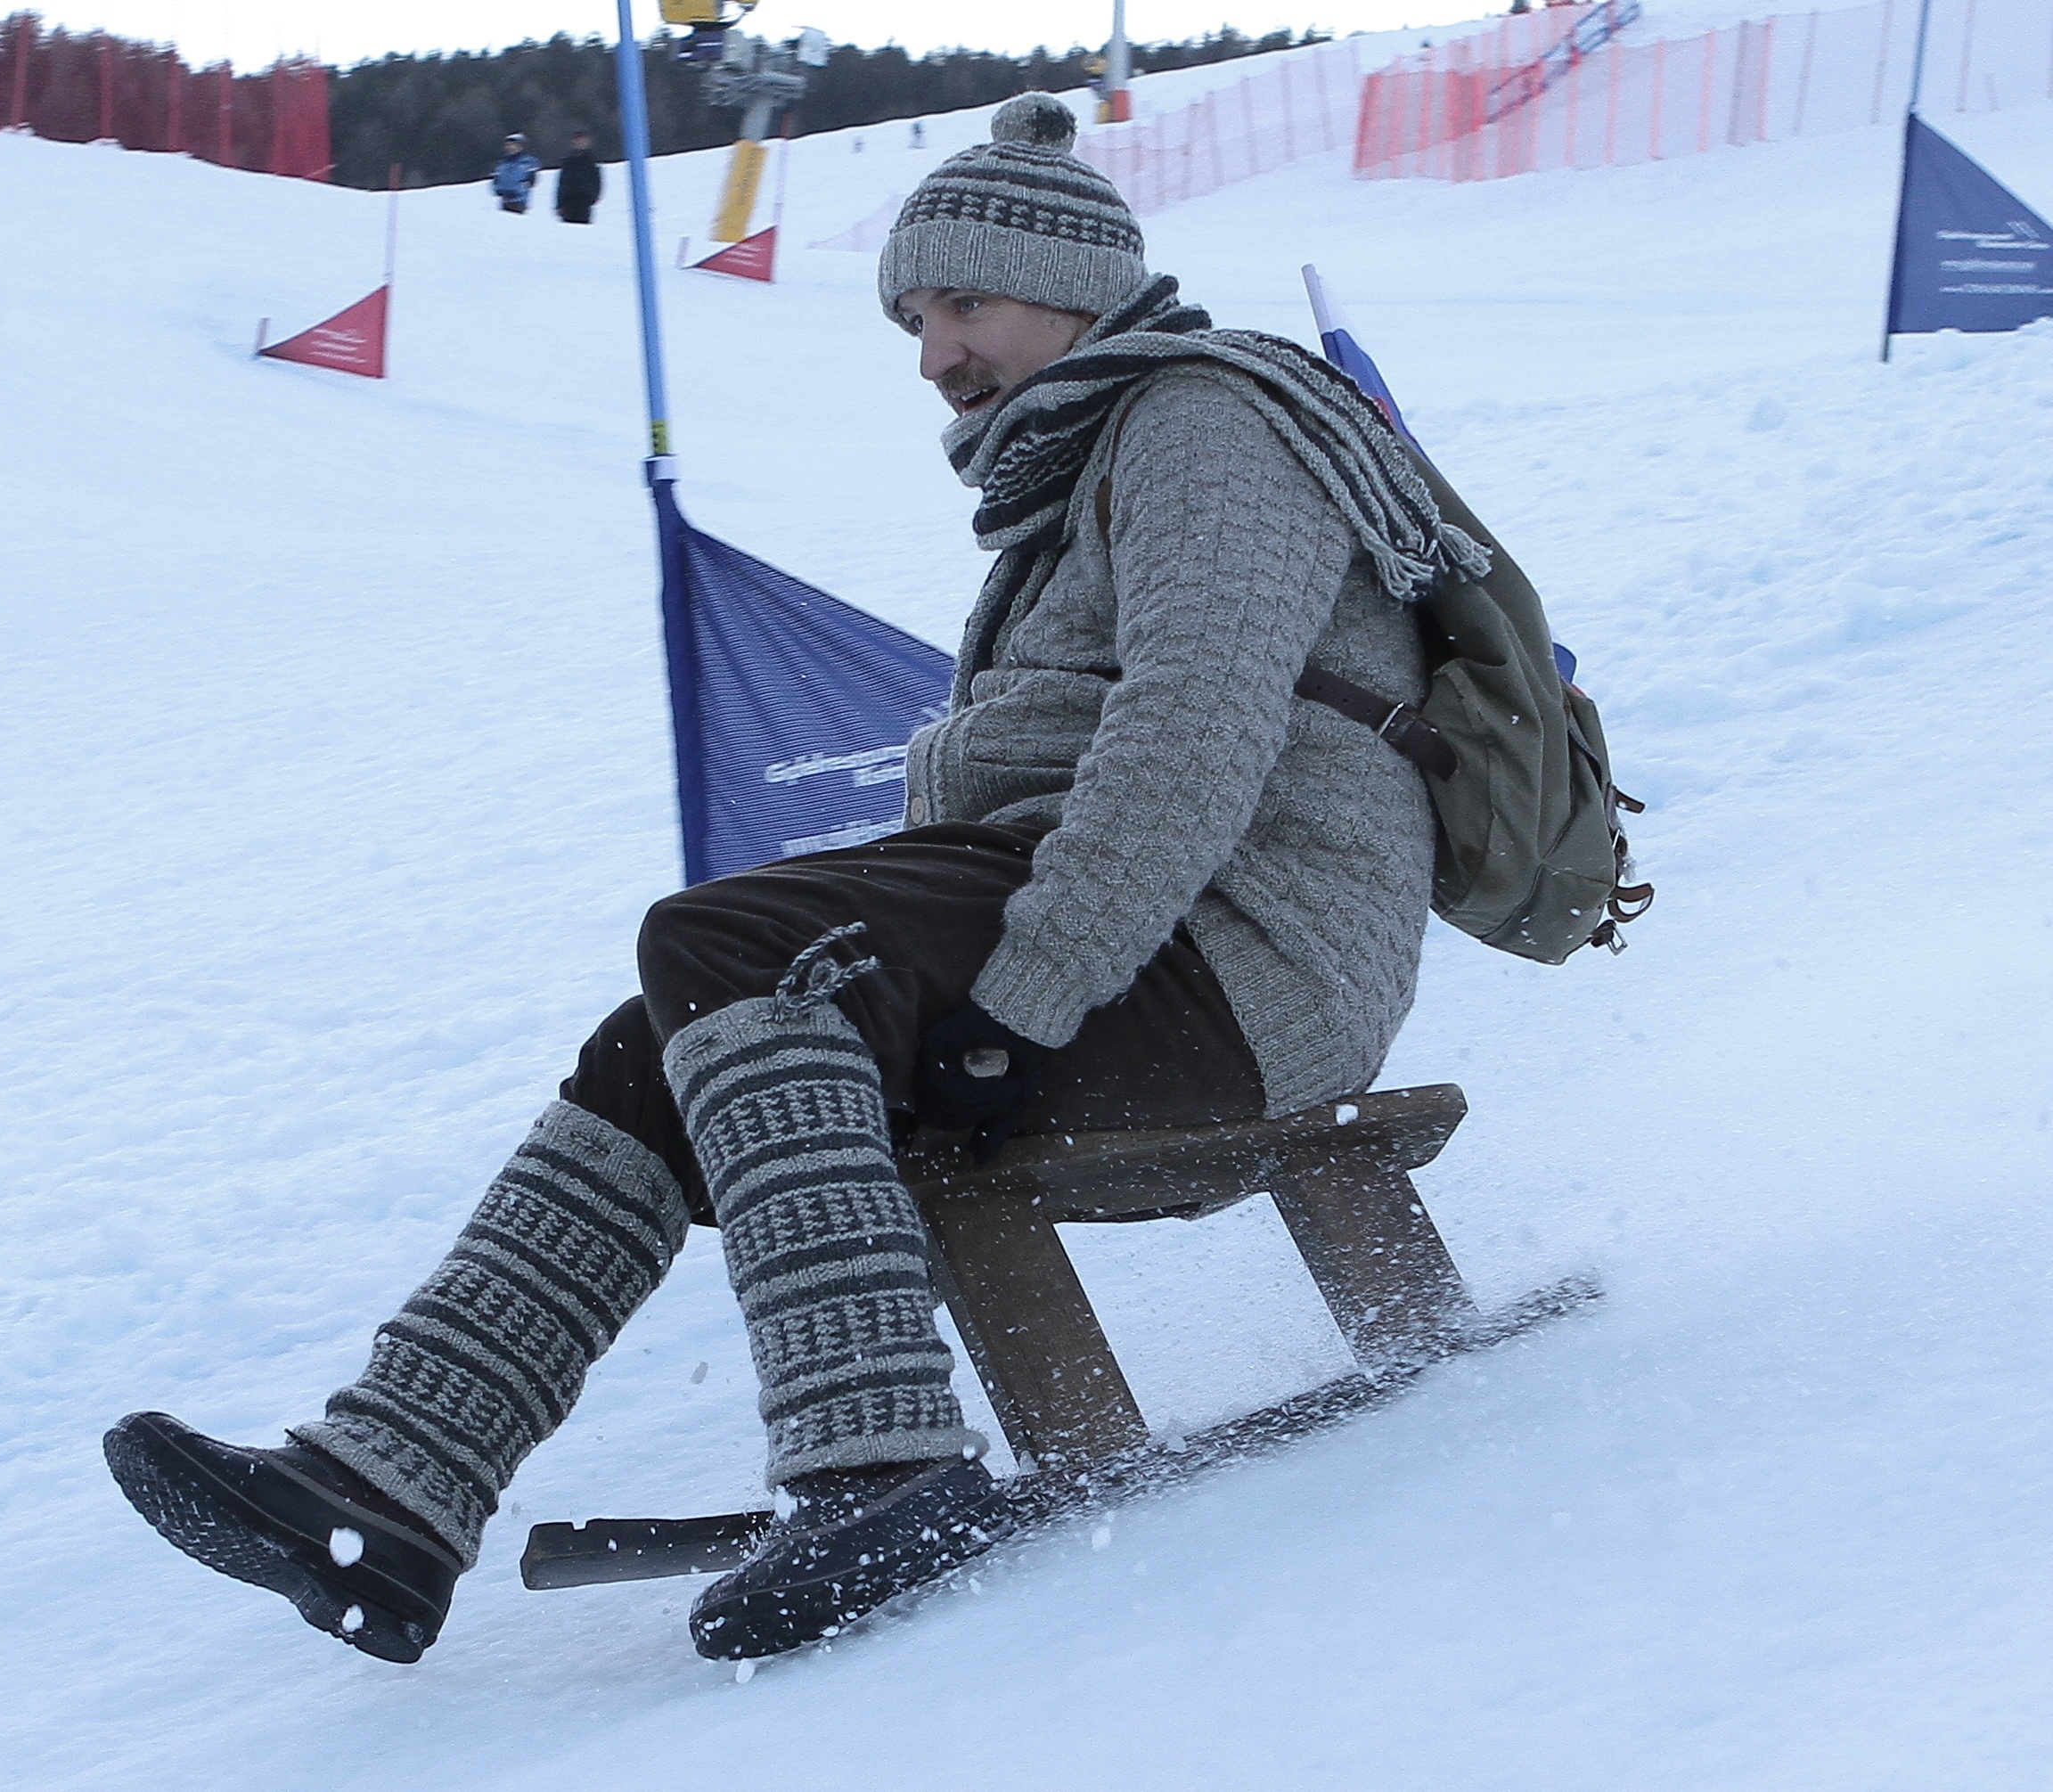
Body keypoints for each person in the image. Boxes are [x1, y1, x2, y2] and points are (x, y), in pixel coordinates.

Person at [106, 92, 1470, 1666]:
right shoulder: (1084, 472)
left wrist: (1020, 998)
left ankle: (883, 1467)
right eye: (912, 316)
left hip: (1245, 969)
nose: (934, 354)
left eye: (964, 303)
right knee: (658, 1046)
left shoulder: (1204, 428)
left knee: (730, 939)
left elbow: (1192, 742)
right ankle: (388, 1488)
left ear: (1077, 288)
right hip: (1146, 953)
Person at [554, 128, 603, 225]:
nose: (580, 143)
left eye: (582, 140)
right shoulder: (568, 162)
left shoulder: (591, 161)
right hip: (568, 203)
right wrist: (559, 204)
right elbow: (562, 183)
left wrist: (592, 197)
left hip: (584, 202)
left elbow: (597, 181)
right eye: (577, 140)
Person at [490, 133, 540, 215]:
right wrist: (498, 189)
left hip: (519, 200)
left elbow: (531, 179)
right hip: (504, 199)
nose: (510, 147)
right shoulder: (503, 162)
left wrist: (522, 188)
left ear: (520, 146)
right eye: (508, 145)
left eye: (513, 145)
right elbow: (496, 177)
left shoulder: (527, 161)